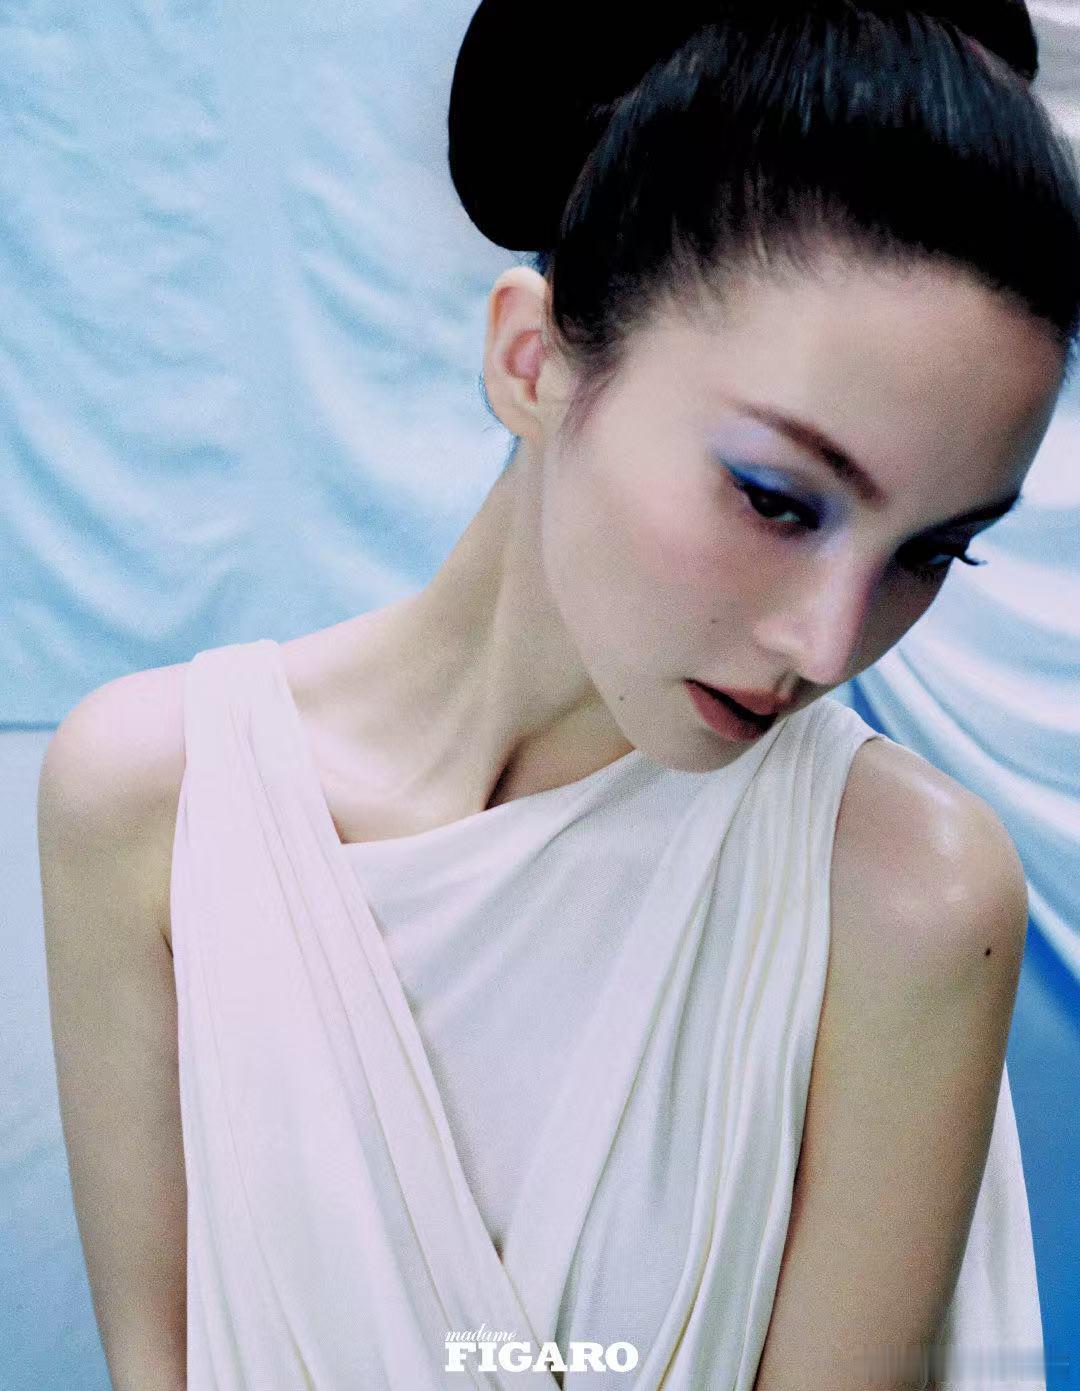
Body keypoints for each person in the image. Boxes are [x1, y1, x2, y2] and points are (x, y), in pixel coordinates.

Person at [37, 2, 1080, 1388]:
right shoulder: (153, 799)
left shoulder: (905, 894)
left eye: (933, 551)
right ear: (532, 361)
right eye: (777, 498)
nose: (832, 644)